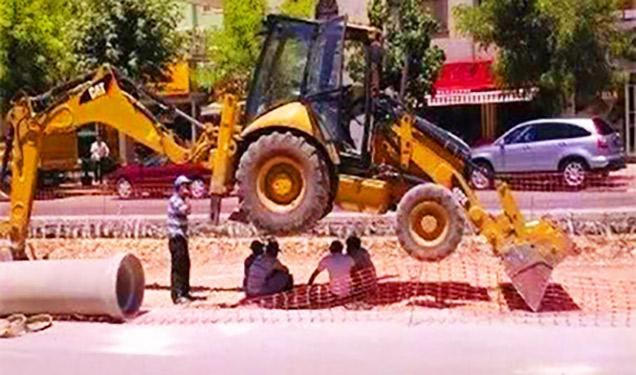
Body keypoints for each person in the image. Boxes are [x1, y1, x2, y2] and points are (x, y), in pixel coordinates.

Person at [167, 175, 193, 304]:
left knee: (185, 264)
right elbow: (186, 211)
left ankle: (185, 291)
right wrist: (188, 197)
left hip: (182, 237)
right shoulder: (175, 200)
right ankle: (177, 294)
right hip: (176, 238)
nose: (187, 188)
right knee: (178, 266)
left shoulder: (181, 200)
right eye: (184, 186)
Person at [346, 235, 377, 301]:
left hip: (362, 278)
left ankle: (358, 292)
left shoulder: (351, 254)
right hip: (371, 277)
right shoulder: (363, 251)